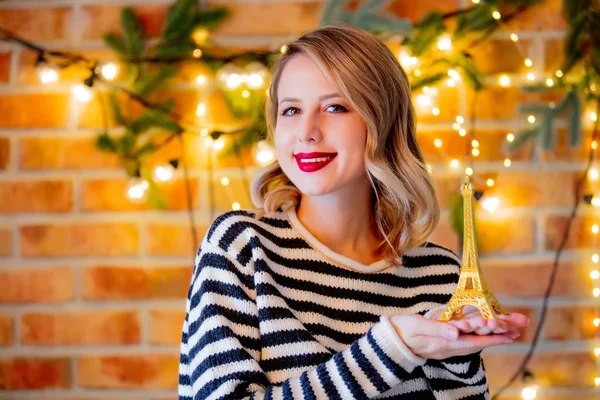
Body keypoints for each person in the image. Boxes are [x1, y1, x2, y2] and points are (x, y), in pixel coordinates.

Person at [178, 24, 528, 399]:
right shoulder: (242, 248)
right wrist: (392, 349)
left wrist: (459, 359)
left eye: (335, 107)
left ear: (382, 122)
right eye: (291, 110)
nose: (307, 132)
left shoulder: (439, 275)